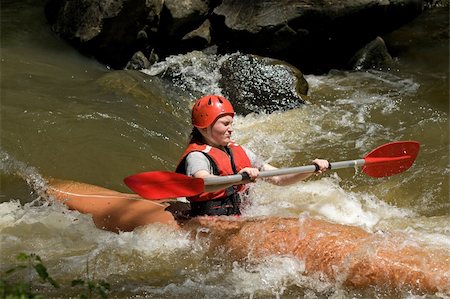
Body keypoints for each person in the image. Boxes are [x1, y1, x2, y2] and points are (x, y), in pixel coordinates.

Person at [176, 95, 329, 217]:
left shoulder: (239, 150)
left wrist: (310, 169)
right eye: (225, 124)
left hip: (240, 217)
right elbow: (203, 181)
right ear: (204, 128)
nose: (231, 129)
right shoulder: (197, 156)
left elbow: (279, 179)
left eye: (231, 124)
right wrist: (238, 177)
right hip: (209, 221)